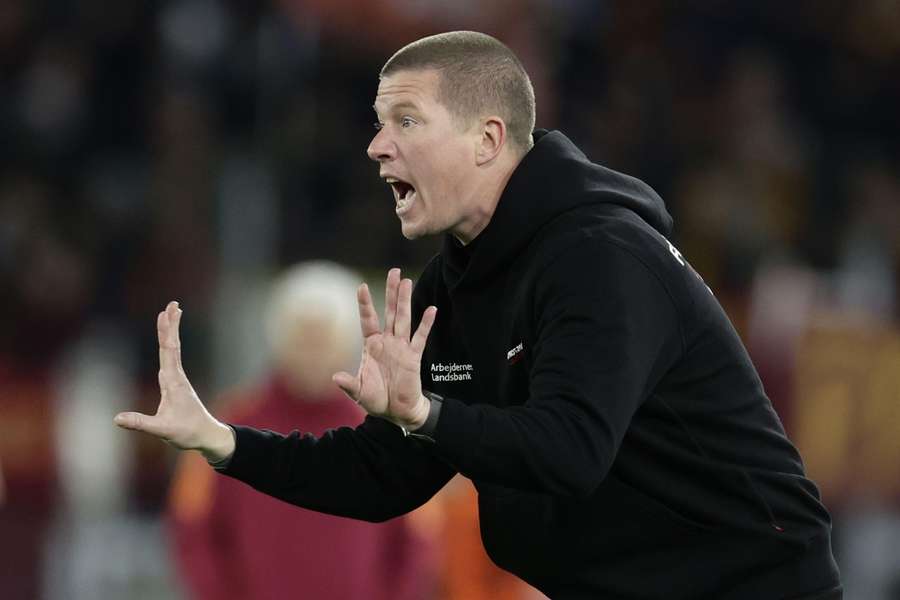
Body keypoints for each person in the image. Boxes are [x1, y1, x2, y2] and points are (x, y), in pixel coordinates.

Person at [115, 31, 842, 599]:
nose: (375, 146)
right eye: (376, 123)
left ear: (487, 140)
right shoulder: (452, 286)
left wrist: (427, 412)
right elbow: (381, 476)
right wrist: (221, 442)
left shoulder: (603, 256)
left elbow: (570, 450)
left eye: (405, 120)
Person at [165, 261, 434, 600]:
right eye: (302, 338)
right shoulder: (225, 423)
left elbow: (418, 542)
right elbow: (192, 527)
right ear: (278, 338)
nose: (313, 353)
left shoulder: (391, 433)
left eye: (323, 339)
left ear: (347, 343)